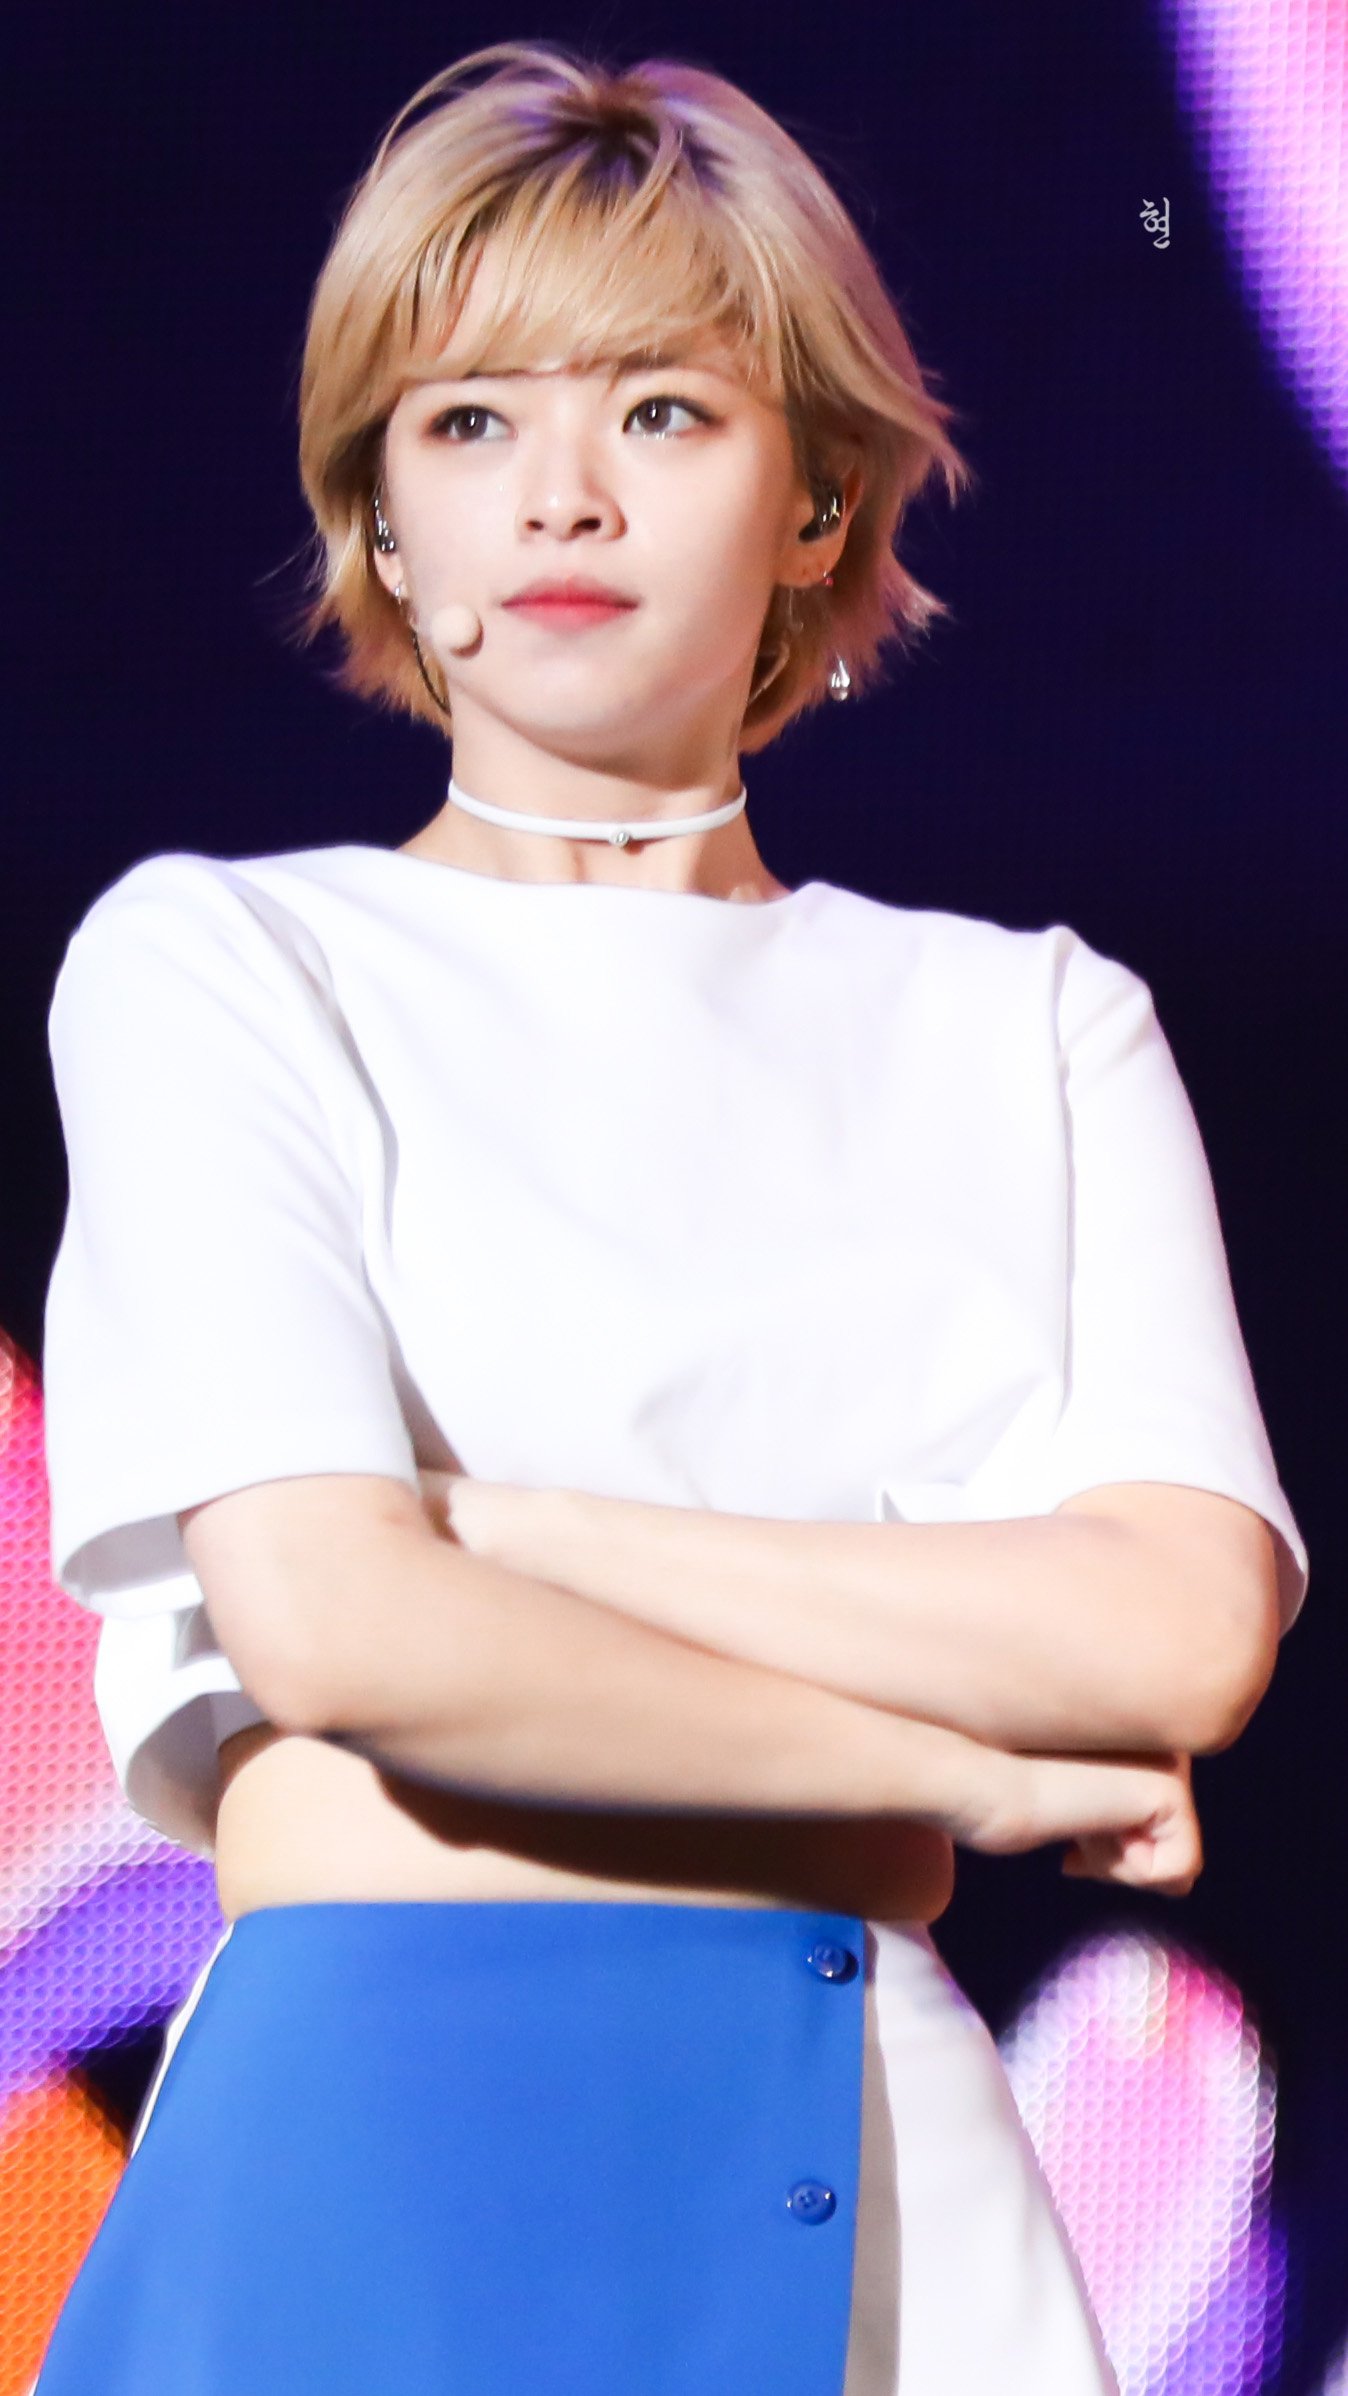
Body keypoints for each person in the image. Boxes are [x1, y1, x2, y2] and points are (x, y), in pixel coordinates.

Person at [33, 40, 1308, 2396]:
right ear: (382, 522)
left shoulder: (1030, 1025)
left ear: (814, 499)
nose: (562, 495)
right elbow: (335, 1627)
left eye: (658, 411)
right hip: (374, 2130)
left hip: (872, 2127)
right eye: (468, 421)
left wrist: (496, 1526)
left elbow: (1170, 1633)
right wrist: (954, 1760)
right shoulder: (225, 960)